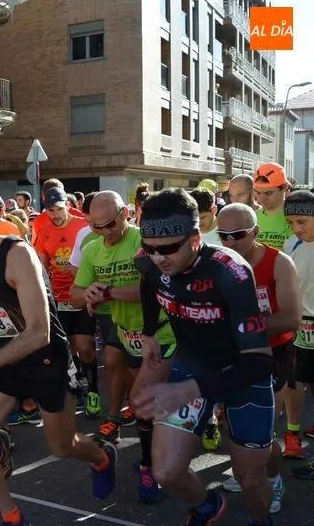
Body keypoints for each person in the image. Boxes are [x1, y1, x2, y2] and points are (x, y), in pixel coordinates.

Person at [0, 182, 117, 526]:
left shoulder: (17, 254)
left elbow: (39, 331)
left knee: (62, 447)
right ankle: (12, 517)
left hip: (44, 358)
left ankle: (102, 456)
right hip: (3, 355)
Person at [132, 188, 274, 526]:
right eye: (150, 248)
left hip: (242, 374)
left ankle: (262, 520)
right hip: (191, 364)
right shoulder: (148, 260)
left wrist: (190, 389)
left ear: (195, 238)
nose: (158, 257)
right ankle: (207, 505)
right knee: (165, 471)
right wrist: (150, 332)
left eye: (168, 248)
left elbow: (260, 362)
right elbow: (150, 281)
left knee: (250, 480)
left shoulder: (230, 271)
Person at [70, 191, 177, 501]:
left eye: (110, 224)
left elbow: (154, 290)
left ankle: (151, 466)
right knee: (150, 407)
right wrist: (88, 291)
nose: (105, 232)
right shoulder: (92, 251)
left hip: (163, 334)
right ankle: (157, 457)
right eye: (96, 227)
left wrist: (108, 293)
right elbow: (75, 294)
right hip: (129, 334)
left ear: (126, 213)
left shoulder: (145, 242)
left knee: (147, 403)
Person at [215, 203, 300, 512]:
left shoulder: (280, 263)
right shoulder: (220, 264)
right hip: (235, 352)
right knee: (231, 426)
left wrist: (242, 326)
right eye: (223, 235)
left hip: (274, 352)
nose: (229, 242)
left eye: (237, 235)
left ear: (255, 232)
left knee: (261, 432)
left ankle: (273, 478)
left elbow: (290, 319)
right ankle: (249, 472)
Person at [32, 187, 98, 422]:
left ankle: (93, 391)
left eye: (59, 209)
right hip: (60, 298)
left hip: (83, 293)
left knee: (85, 345)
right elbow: (43, 264)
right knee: (68, 348)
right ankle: (78, 383)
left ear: (67, 206)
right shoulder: (44, 230)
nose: (55, 214)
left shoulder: (83, 226)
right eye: (50, 210)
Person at [282, 190, 314, 480]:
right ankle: (292, 436)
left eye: (302, 221)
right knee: (295, 382)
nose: (296, 228)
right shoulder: (291, 244)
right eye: (291, 222)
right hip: (299, 328)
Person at [252, 163, 294, 251]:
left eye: (268, 193)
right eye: (258, 193)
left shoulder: (296, 219)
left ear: (284, 187)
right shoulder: (252, 218)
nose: (261, 200)